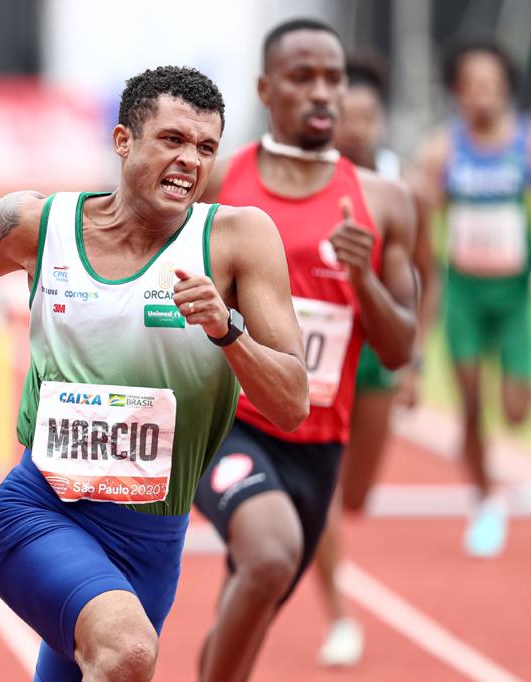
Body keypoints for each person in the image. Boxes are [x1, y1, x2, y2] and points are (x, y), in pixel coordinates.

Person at [0, 66, 309, 682]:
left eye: (207, 147)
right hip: (42, 513)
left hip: (153, 541)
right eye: (172, 140)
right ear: (122, 141)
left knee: (97, 665)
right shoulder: (37, 224)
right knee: (127, 653)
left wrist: (227, 330)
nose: (191, 160)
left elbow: (292, 402)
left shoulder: (238, 240)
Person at [192, 19, 417, 681]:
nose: (322, 93)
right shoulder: (220, 184)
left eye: (333, 79)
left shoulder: (386, 202)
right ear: (266, 88)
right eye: (302, 78)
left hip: (319, 444)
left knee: (247, 612)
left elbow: (400, 350)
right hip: (227, 425)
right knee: (268, 555)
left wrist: (364, 279)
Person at [417, 39, 531, 558]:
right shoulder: (443, 150)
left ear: (506, 87)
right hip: (462, 294)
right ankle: (485, 499)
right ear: (457, 91)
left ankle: (492, 482)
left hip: (512, 298)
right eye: (471, 85)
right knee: (469, 405)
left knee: (516, 411)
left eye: (492, 84)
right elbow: (421, 220)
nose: (482, 94)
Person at [311, 55, 438, 667]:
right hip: (320, 352)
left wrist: (416, 363)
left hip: (378, 355)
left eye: (367, 115)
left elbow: (426, 278)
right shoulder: (308, 180)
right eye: (346, 116)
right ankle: (339, 616)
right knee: (322, 491)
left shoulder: (403, 188)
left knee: (357, 495)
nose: (357, 127)